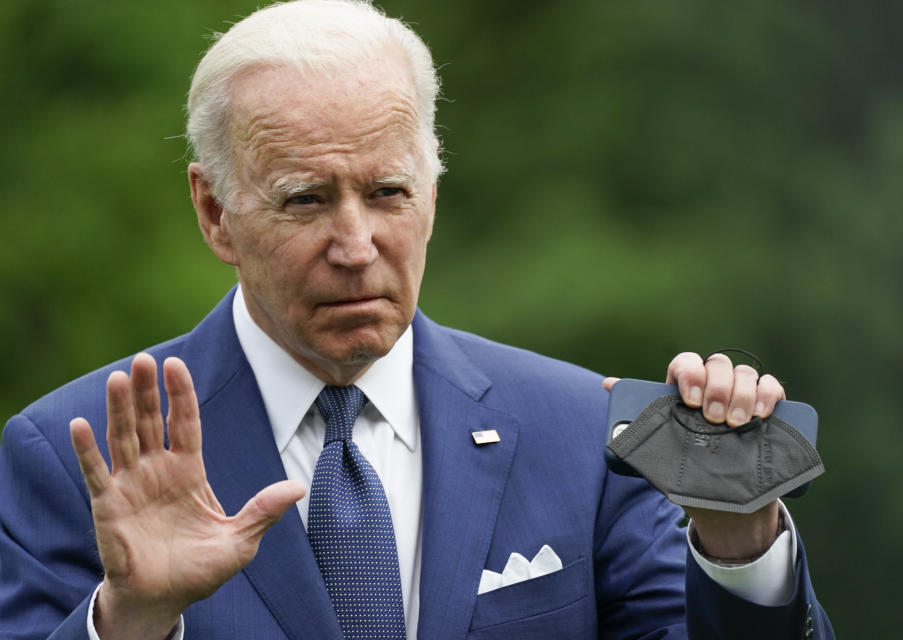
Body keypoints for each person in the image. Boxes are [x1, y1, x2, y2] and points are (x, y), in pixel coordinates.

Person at [0, 1, 833, 638]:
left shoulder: (581, 435)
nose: (356, 245)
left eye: (388, 192)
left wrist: (739, 548)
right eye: (305, 200)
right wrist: (128, 624)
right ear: (215, 212)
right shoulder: (74, 456)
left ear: (433, 194)